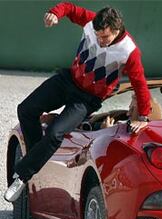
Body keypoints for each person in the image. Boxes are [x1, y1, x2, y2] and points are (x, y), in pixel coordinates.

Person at [4, 3, 151, 203]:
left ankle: (21, 176)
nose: (100, 40)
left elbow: (140, 84)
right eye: (98, 35)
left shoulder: (129, 51)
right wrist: (55, 14)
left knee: (56, 132)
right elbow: (69, 8)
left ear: (117, 31)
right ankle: (36, 157)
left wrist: (143, 116)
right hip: (68, 81)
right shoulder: (90, 21)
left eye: (105, 37)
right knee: (26, 110)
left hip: (86, 99)